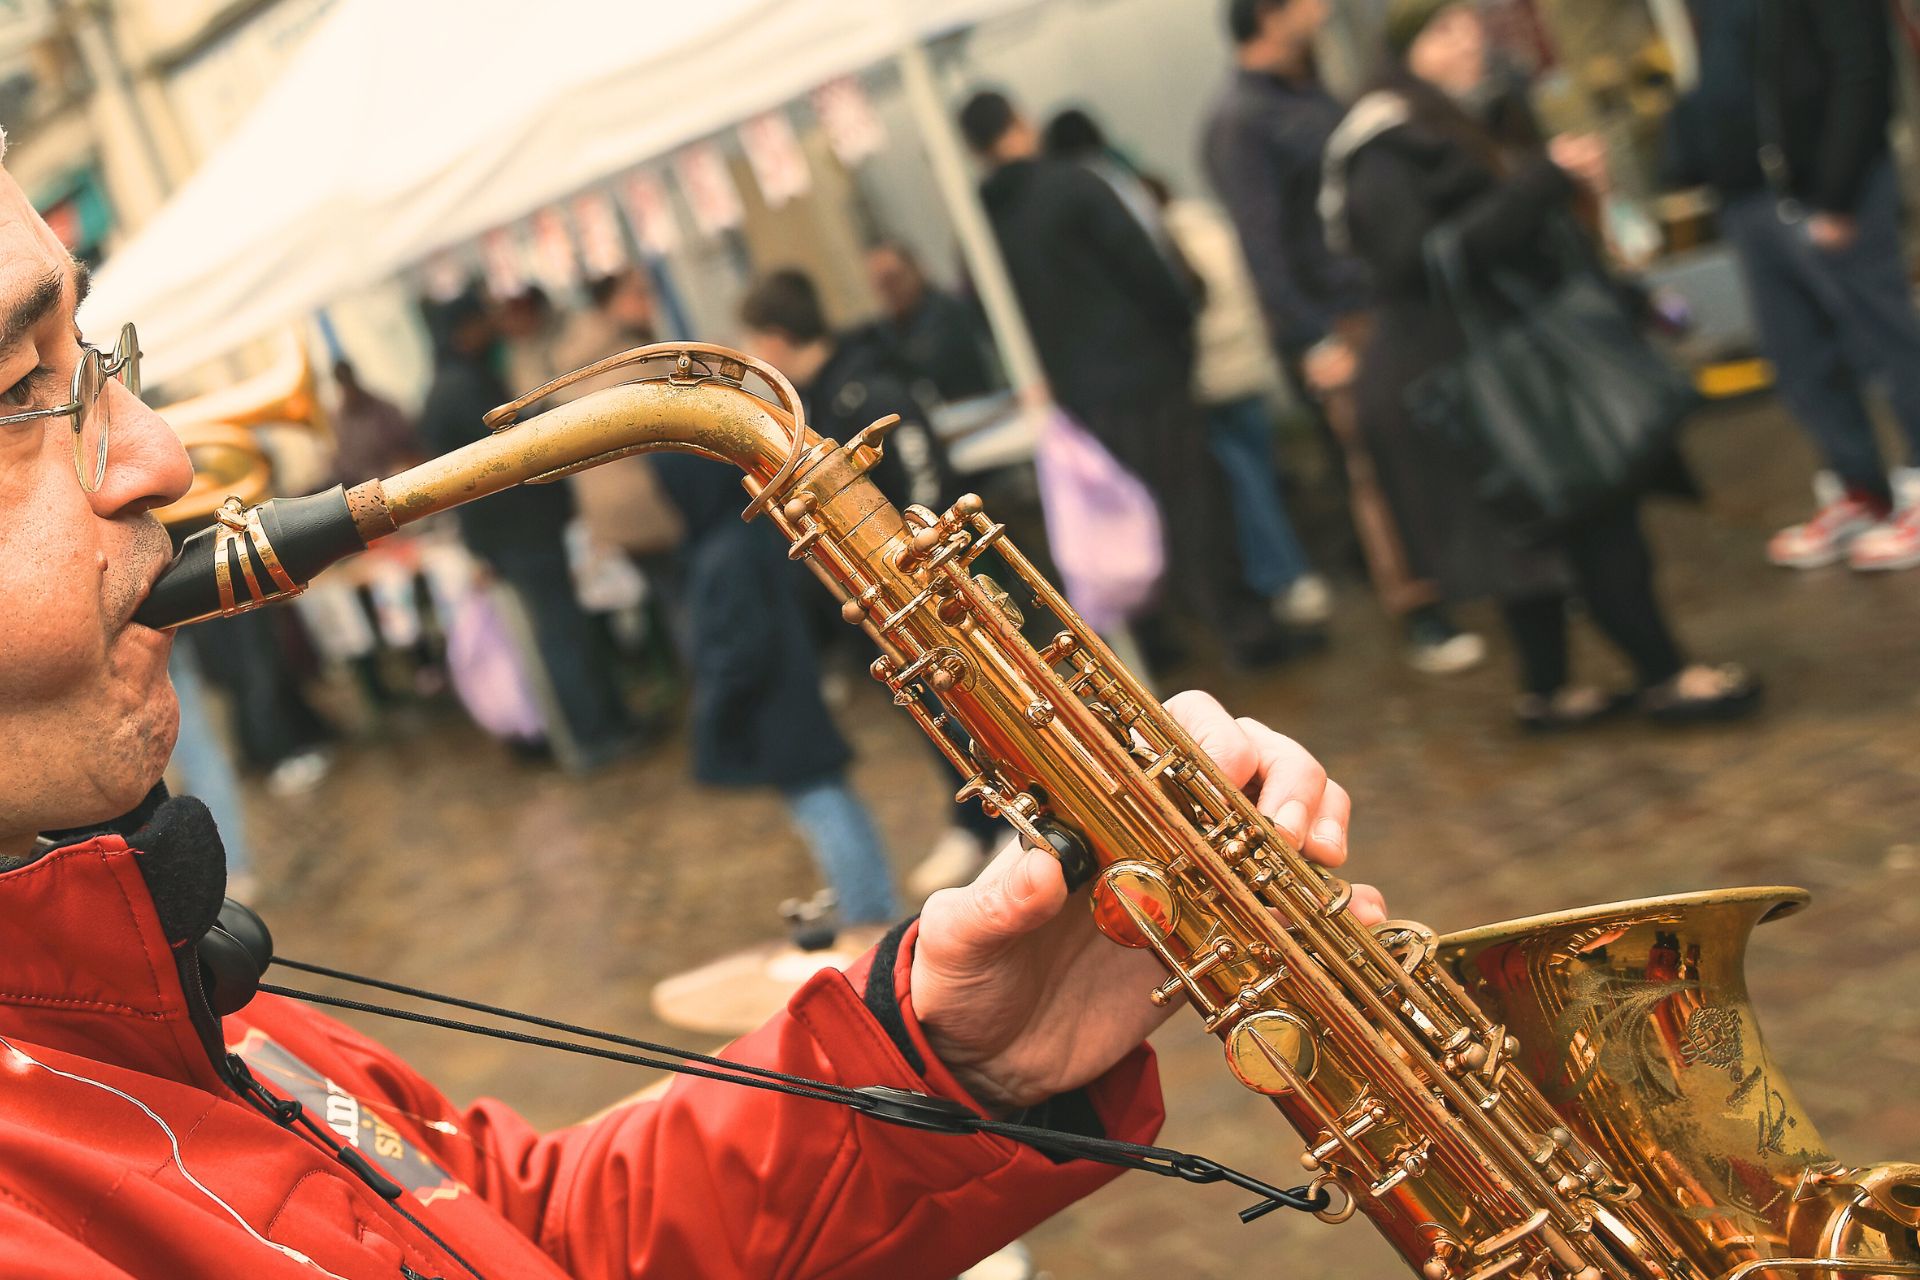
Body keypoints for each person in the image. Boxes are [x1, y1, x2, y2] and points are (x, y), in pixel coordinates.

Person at [0, 145, 1384, 1271]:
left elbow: (529, 1232)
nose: (163, 454)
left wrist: (952, 1060)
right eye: (14, 389)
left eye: (93, 356)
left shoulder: (183, 987)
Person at [1327, 0, 1761, 728]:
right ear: (1404, 51)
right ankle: (1665, 674)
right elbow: (1417, 260)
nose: (1468, 39)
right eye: (1442, 29)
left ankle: (1548, 691)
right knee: (1592, 521)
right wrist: (1540, 183)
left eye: (1469, 22)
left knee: (1540, 538)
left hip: (1503, 361)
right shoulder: (1383, 142)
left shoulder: (1465, 114)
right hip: (1479, 372)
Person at [958, 89, 1291, 669]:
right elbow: (1145, 267)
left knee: (1115, 517)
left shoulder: (981, 223)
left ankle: (1154, 646)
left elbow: (983, 313)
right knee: (1192, 504)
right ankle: (1244, 631)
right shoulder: (1074, 185)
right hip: (1145, 373)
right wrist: (1179, 334)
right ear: (1019, 123)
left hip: (1073, 395)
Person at [1203, 0, 1486, 674]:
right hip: (1336, 321)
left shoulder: (1310, 90)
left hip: (1382, 300)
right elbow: (1261, 246)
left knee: (1433, 446)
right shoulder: (1241, 119)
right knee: (1377, 472)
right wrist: (1312, 338)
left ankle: (1468, 583)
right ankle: (1421, 614)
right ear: (1269, 15)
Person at [735, 268, 997, 898]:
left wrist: (913, 569)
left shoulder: (869, 386)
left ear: (775, 337)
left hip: (919, 591)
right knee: (931, 716)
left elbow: (925, 480)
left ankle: (1001, 821)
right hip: (873, 600)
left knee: (973, 708)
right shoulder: (810, 404)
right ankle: (976, 818)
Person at [1665, 0, 1920, 572]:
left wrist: (1838, 193)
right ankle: (1861, 491)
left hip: (1829, 193)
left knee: (1888, 343)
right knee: (1801, 359)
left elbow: (1862, 73)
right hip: (1750, 201)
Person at [415, 289, 636, 770]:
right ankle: (595, 737)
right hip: (522, 533)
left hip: (511, 535)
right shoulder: (464, 387)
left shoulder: (447, 386)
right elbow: (507, 449)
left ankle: (600, 730)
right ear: (464, 330)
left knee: (562, 633)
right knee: (562, 635)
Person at [1146, 173, 1333, 627]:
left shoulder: (1163, 242)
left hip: (1210, 376)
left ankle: (1284, 576)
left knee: (1245, 484)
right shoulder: (1211, 225)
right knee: (1259, 473)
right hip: (1248, 365)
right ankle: (1291, 574)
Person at [865, 240, 999, 403]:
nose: (890, 290)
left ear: (916, 270)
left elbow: (930, 367)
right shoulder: (887, 330)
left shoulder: (950, 312)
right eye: (882, 285)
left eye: (893, 279)